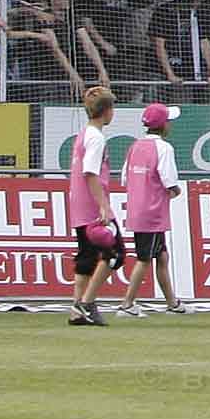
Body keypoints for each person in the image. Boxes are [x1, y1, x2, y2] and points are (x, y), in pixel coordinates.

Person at [118, 103, 187, 317]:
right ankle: (127, 304)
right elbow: (168, 179)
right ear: (163, 125)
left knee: (161, 256)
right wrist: (176, 191)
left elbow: (124, 178)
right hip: (154, 212)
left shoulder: (135, 146)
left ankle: (172, 303)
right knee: (144, 258)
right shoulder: (164, 148)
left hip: (137, 210)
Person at [62, 83, 120, 328]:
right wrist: (104, 206)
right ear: (107, 110)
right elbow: (90, 173)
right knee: (115, 254)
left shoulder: (83, 133)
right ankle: (86, 304)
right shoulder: (96, 138)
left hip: (78, 203)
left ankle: (77, 307)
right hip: (92, 207)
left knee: (86, 256)